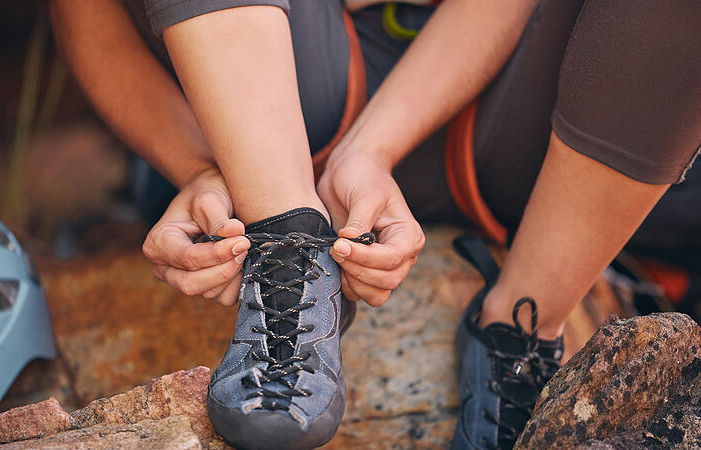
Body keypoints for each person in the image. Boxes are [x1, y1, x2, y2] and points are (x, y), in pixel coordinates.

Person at [50, 1, 701, 448]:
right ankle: (290, 244)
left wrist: (373, 150)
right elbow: (86, 15)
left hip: (513, 110)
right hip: (279, 102)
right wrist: (196, 166)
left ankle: (521, 331)